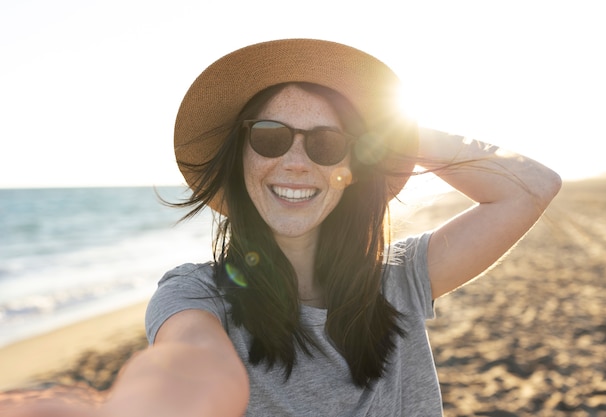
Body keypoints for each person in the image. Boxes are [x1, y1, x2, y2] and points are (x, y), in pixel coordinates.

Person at [6, 38, 561, 416]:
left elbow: (531, 186)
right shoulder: (197, 292)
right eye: (271, 137)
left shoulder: (402, 277)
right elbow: (190, 365)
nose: (296, 162)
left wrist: (394, 133)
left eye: (325, 143)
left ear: (351, 168)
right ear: (240, 156)